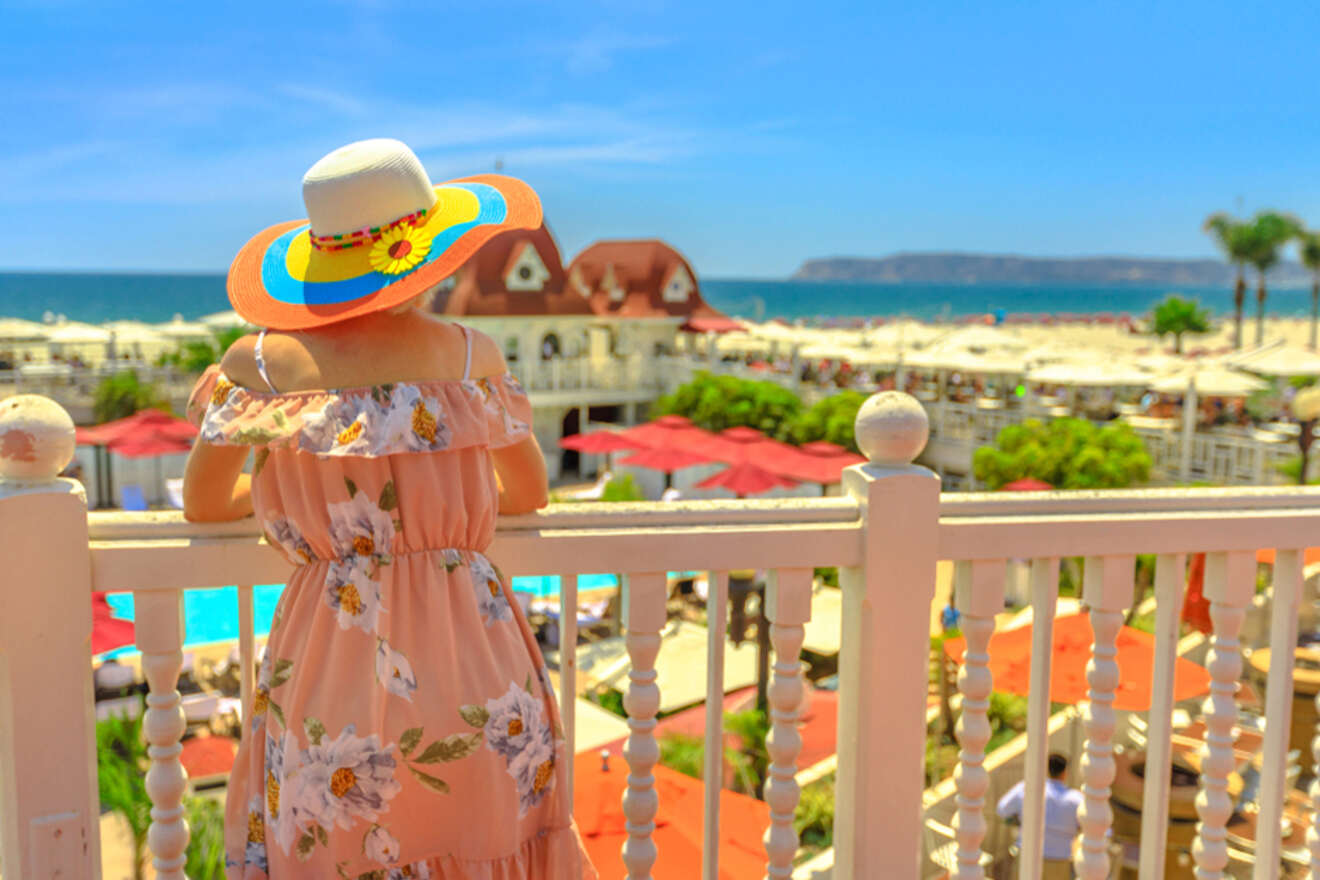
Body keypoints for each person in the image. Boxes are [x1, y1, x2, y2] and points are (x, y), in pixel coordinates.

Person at [182, 139, 594, 879]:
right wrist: (434, 502)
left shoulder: (262, 367)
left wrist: (293, 496)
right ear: (436, 251)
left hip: (328, 664)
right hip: (476, 665)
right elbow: (528, 495)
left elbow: (205, 506)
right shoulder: (473, 359)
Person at [996, 753, 1082, 878]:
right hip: (1060, 859)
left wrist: (1018, 820)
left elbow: (1002, 810)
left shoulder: (1026, 788)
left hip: (1028, 855)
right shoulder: (1076, 799)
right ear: (1065, 772)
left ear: (1045, 769)